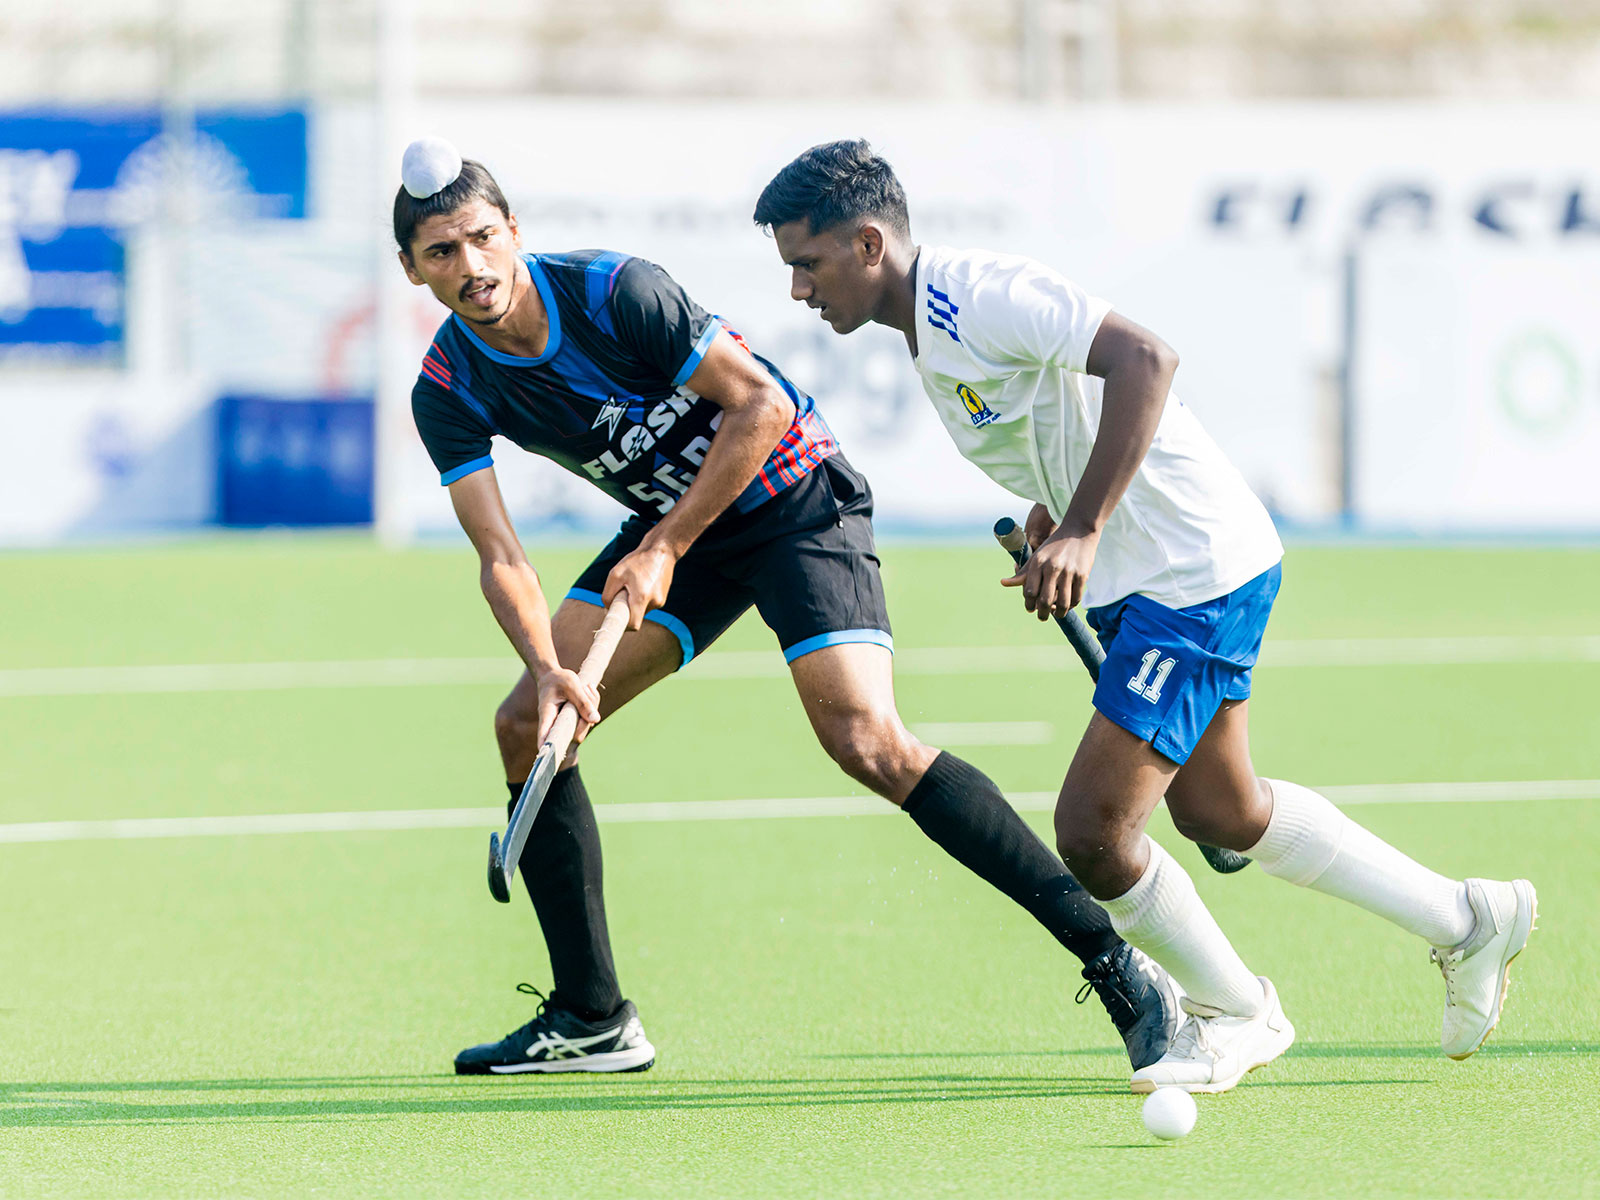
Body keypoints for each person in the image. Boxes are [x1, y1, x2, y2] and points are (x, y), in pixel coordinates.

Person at [753, 139, 1538, 1094]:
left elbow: (1145, 359)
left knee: (1092, 829)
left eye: (807, 262)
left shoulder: (976, 293)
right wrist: (1060, 510)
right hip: (1156, 572)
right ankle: (1468, 920)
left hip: (1189, 570)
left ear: (868, 243)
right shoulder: (930, 330)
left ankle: (1236, 1010)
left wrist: (1084, 526)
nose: (798, 288)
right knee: (1222, 808)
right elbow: (1064, 412)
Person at [391, 138, 1182, 1077]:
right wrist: (549, 662)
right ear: (411, 269)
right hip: (682, 528)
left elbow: (759, 407)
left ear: (513, 229)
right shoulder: (446, 385)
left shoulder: (614, 293)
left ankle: (1117, 962)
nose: (472, 267)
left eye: (483, 238)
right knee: (532, 722)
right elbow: (501, 553)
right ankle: (592, 1016)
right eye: (442, 253)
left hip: (794, 495)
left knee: (868, 740)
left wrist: (666, 546)